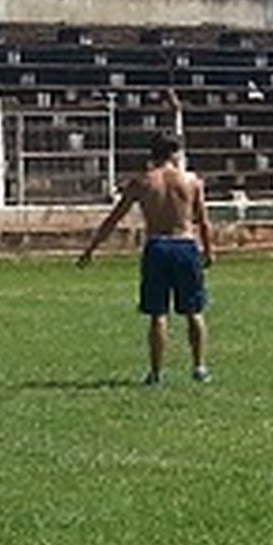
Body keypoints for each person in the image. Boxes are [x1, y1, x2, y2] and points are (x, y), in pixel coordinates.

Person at [78, 131, 214, 384]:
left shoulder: (142, 182)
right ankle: (199, 366)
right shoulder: (191, 181)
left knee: (157, 313)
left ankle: (156, 372)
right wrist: (208, 250)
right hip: (185, 244)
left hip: (157, 246)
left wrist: (92, 247)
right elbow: (203, 221)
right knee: (194, 310)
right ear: (176, 153)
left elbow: (114, 218)